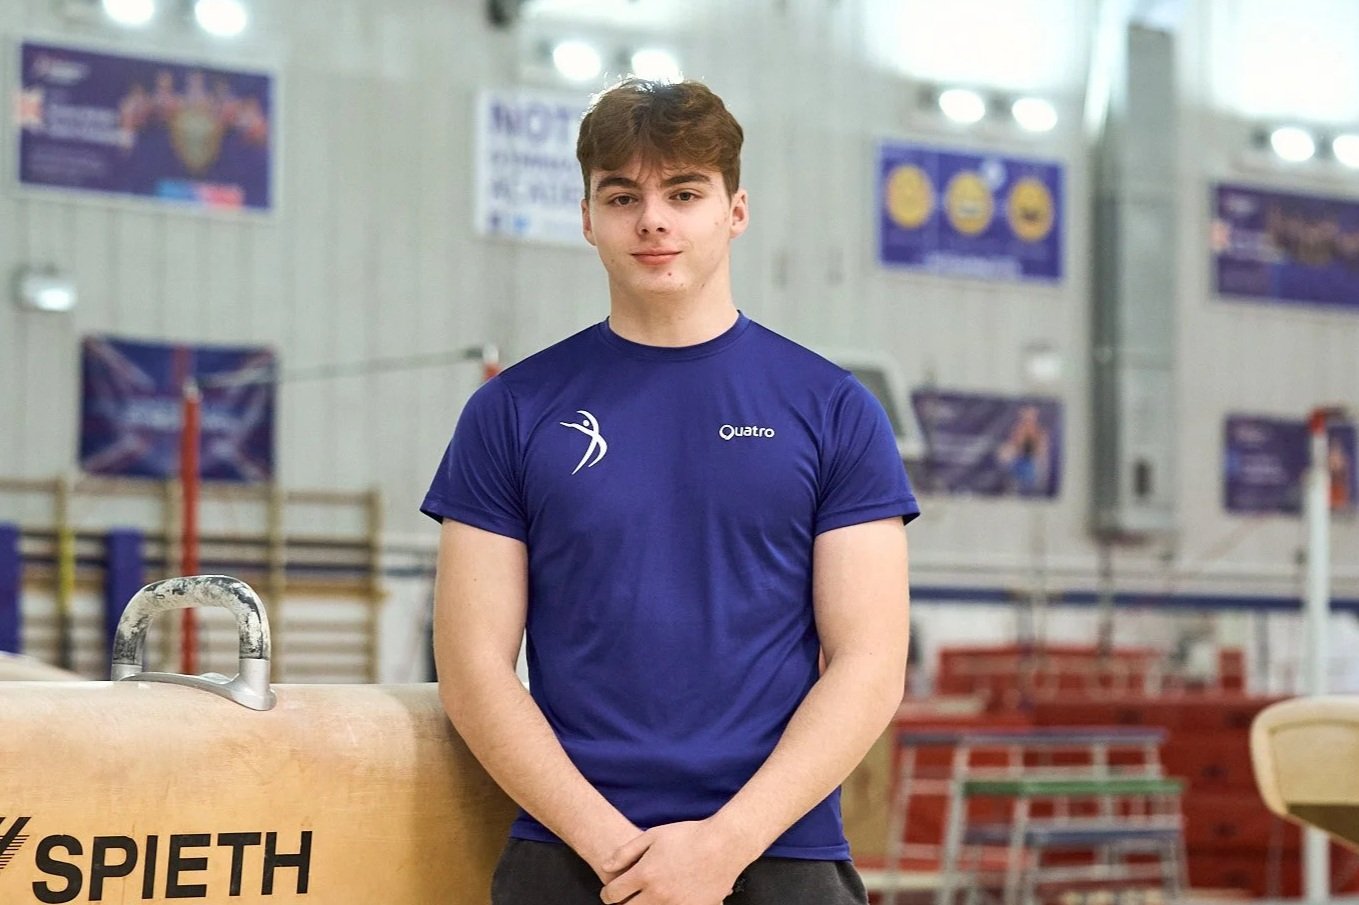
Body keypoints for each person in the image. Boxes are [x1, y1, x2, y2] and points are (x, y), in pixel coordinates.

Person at [422, 78, 919, 905]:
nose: (652, 219)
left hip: (777, 846)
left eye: (683, 193)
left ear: (735, 210)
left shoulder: (832, 409)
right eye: (622, 196)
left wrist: (722, 846)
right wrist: (617, 851)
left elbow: (869, 663)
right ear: (586, 218)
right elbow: (473, 666)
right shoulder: (510, 412)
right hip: (574, 850)